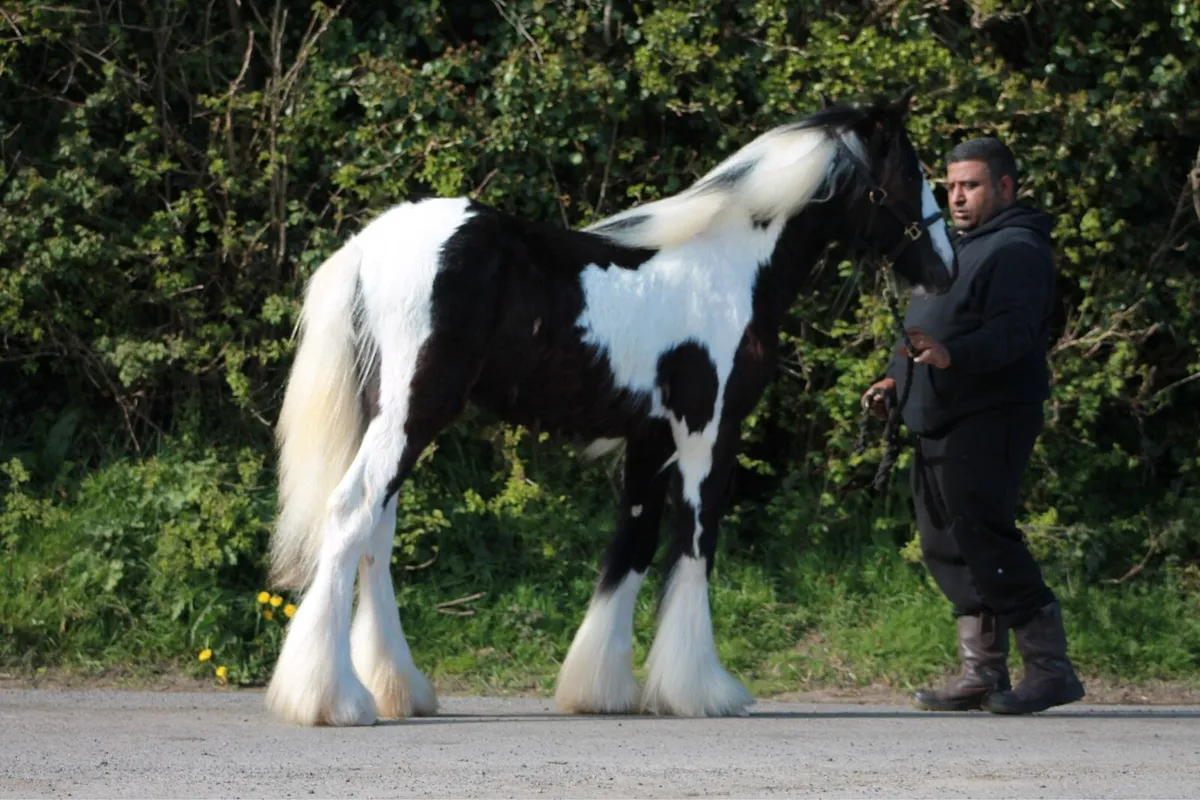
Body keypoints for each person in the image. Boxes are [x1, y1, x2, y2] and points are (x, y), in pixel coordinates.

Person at [861, 137, 1085, 715]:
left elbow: (1013, 334)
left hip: (991, 414)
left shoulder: (1017, 249)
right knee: (944, 542)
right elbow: (918, 330)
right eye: (952, 187)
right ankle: (983, 671)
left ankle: (1050, 668)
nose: (957, 198)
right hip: (936, 413)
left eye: (972, 186)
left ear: (1005, 188)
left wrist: (952, 356)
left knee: (984, 534)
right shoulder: (949, 248)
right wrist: (893, 381)